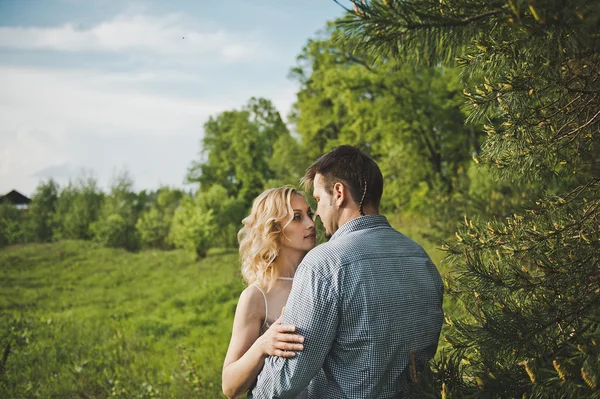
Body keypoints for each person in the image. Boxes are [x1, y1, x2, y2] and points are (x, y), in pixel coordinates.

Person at [250, 145, 444, 398]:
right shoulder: (421, 257)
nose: (317, 214)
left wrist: (257, 391)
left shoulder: (324, 263)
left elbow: (287, 379)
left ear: (339, 193)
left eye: (318, 200)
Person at [222, 186, 317, 399]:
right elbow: (229, 386)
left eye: (309, 215)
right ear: (273, 228)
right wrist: (263, 345)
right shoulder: (256, 296)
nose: (311, 224)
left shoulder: (320, 281)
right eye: (297, 217)